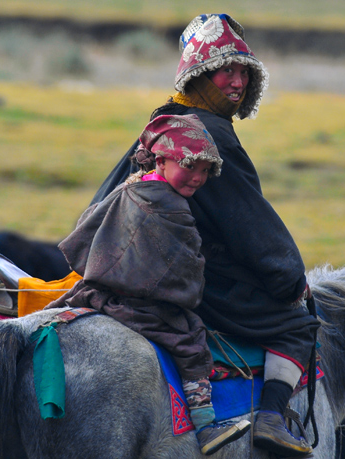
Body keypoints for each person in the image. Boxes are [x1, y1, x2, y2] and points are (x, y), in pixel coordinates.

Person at [90, 13, 321, 457]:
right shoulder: (210, 134)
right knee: (298, 325)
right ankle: (272, 416)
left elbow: (104, 199)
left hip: (126, 268)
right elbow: (252, 226)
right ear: (199, 75)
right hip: (189, 280)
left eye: (243, 73)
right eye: (225, 71)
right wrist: (291, 280)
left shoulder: (163, 121)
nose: (236, 83)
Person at [47, 113, 251, 456]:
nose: (199, 178)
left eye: (205, 170)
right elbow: (187, 273)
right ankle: (206, 425)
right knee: (191, 341)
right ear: (161, 159)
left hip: (98, 294)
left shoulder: (128, 188)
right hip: (141, 308)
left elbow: (86, 227)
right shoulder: (174, 208)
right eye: (191, 166)